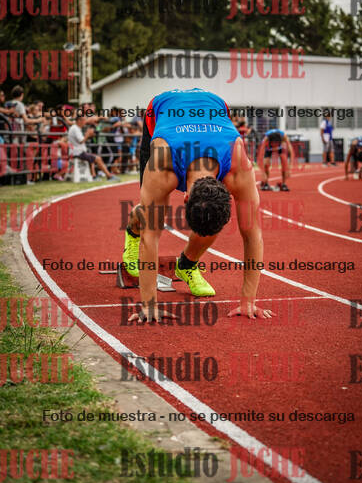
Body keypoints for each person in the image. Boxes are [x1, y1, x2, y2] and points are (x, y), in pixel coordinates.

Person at [122, 88, 275, 323]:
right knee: (147, 215)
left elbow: (253, 235)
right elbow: (150, 238)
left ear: (226, 189)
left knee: (210, 218)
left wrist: (248, 301)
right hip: (161, 108)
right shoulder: (161, 166)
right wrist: (149, 305)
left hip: (216, 104)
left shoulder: (239, 168)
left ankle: (187, 265)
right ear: (185, 197)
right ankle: (130, 233)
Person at [68, 114, 119, 181]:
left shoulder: (76, 128)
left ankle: (94, 176)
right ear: (79, 120)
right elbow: (81, 141)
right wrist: (88, 134)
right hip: (78, 152)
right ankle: (109, 176)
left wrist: (90, 135)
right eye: (84, 120)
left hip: (78, 152)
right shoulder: (75, 128)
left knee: (93, 157)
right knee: (98, 159)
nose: (85, 122)